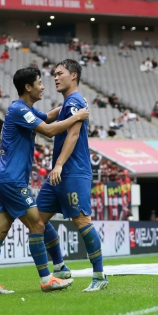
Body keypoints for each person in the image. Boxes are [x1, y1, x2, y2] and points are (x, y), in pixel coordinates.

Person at [0, 66, 89, 295]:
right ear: (28, 87)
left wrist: (70, 103)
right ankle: (47, 278)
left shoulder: (25, 110)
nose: (43, 86)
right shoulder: (19, 110)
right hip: (13, 182)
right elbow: (49, 130)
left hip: (3, 179)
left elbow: (49, 116)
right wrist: (77, 116)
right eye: (39, 83)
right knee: (39, 224)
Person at [36, 59, 108, 292]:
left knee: (82, 222)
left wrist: (57, 166)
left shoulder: (75, 101)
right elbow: (48, 119)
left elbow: (73, 135)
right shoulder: (71, 102)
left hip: (72, 172)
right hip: (59, 174)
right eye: (54, 74)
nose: (55, 77)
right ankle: (60, 267)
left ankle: (99, 275)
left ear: (74, 75)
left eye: (60, 73)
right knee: (36, 220)